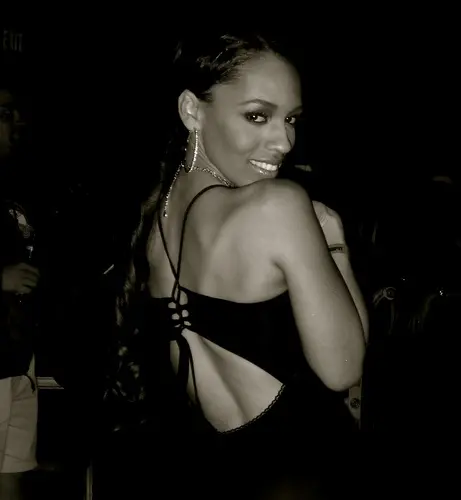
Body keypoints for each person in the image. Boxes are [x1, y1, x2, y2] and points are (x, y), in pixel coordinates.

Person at [112, 31, 368, 498]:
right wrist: (335, 245)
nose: (284, 141)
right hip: (307, 468)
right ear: (192, 110)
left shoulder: (156, 218)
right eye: (257, 116)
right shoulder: (277, 205)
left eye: (291, 119)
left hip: (215, 474)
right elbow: (344, 368)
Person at [0, 83, 40, 499]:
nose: (16, 124)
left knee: (12, 472)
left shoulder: (14, 185)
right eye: (4, 114)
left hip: (17, 358)